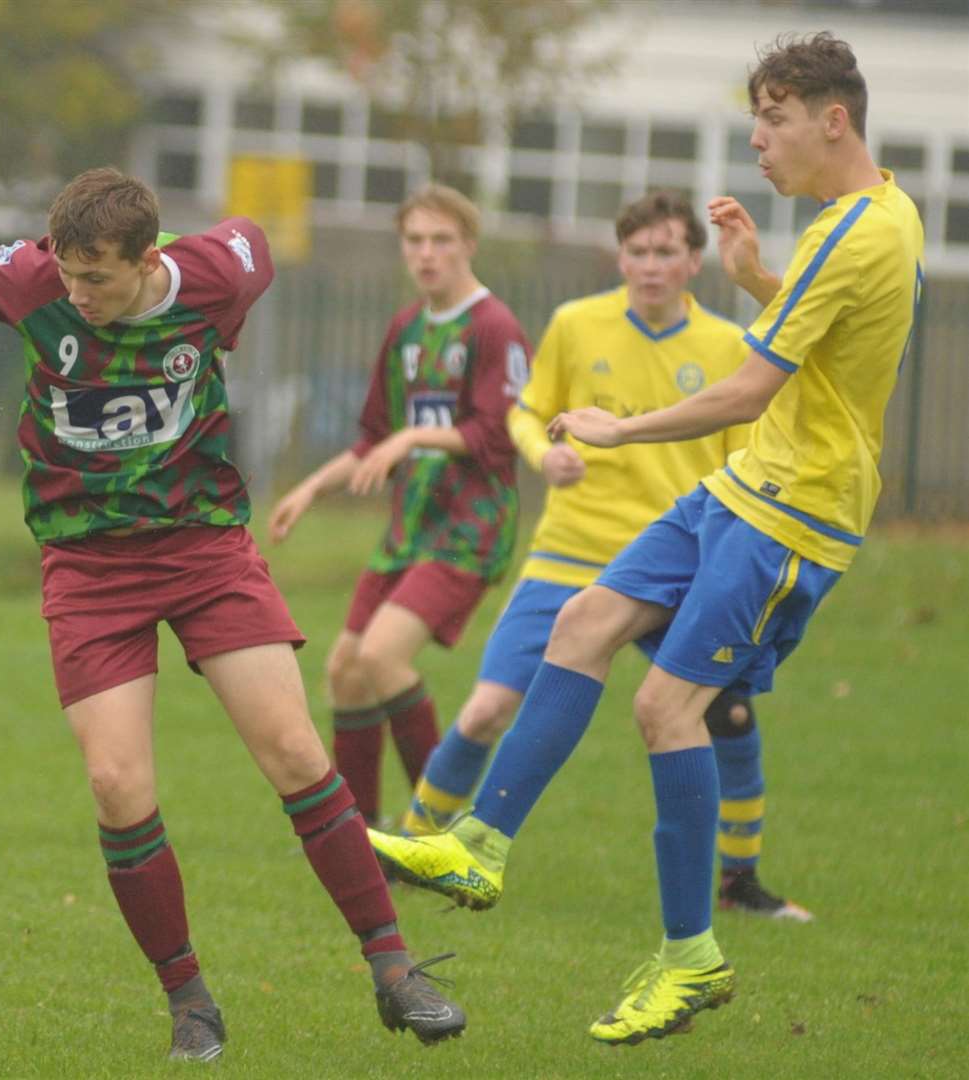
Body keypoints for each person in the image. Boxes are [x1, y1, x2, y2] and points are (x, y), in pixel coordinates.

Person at [0, 167, 465, 1061]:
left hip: (202, 549)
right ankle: (189, 1001)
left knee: (293, 752)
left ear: (148, 259)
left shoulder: (212, 278)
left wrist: (226, 320)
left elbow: (255, 245)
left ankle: (395, 971)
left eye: (97, 280)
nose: (74, 296)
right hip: (87, 565)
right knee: (118, 785)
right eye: (66, 275)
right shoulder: (34, 278)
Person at [369, 32, 921, 1044]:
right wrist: (757, 276)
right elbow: (828, 350)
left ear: (829, 119)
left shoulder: (856, 233)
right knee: (579, 624)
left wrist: (619, 428)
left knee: (668, 709)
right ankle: (478, 844)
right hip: (740, 490)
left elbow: (752, 387)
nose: (755, 141)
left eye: (771, 117)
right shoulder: (871, 212)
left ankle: (689, 959)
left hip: (792, 513)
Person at [391, 190, 811, 923]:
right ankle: (413, 844)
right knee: (488, 707)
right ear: (620, 258)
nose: (649, 266)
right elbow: (524, 411)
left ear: (691, 260)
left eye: (665, 252)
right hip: (568, 553)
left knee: (729, 717)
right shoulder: (575, 325)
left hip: (676, 564)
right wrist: (542, 453)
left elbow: (743, 459)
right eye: (637, 252)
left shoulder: (727, 349)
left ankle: (739, 881)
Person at [267, 183, 531, 830]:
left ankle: (435, 828)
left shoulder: (493, 327)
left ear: (468, 244)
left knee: (380, 658)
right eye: (414, 240)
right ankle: (364, 838)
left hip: (469, 530)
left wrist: (413, 437)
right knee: (345, 672)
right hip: (409, 527)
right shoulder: (405, 328)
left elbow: (498, 436)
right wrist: (309, 489)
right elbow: (372, 437)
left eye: (441, 240)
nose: (426, 254)